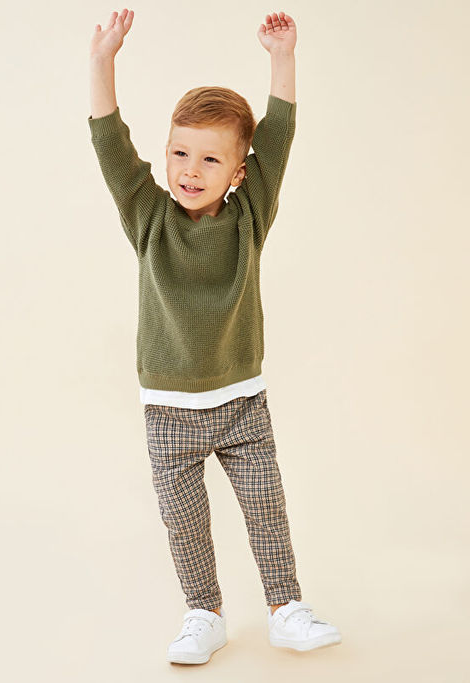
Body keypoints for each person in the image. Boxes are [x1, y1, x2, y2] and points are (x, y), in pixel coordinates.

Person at [88, 8, 341, 664]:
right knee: (185, 523)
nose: (189, 170)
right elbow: (112, 146)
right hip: (169, 410)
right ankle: (204, 613)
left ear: (237, 172)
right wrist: (103, 61)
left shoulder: (250, 215)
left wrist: (281, 59)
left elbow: (278, 137)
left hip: (242, 403)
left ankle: (285, 608)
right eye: (179, 153)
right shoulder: (148, 216)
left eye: (209, 159)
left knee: (266, 507)